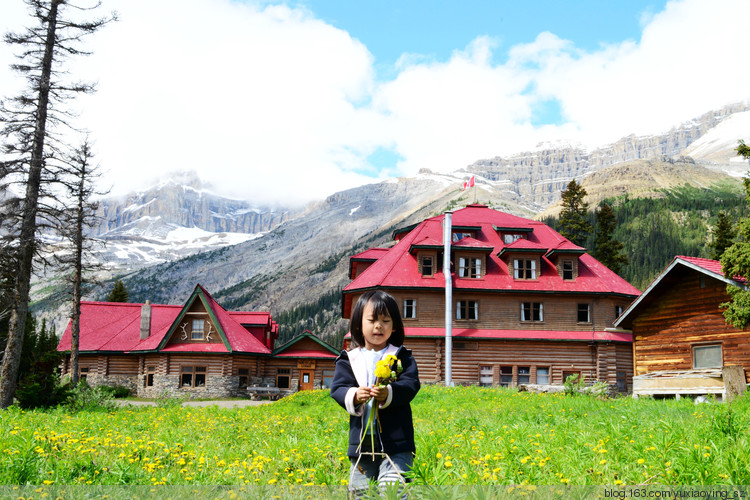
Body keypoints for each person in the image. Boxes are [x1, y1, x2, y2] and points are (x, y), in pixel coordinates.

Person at [330, 290, 420, 494]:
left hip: (397, 441)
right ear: (359, 325)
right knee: (360, 492)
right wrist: (354, 394)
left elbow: (410, 385)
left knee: (393, 490)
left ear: (394, 325)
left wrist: (388, 393)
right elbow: (338, 388)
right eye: (371, 320)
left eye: (386, 320)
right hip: (362, 444)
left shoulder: (401, 356)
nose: (378, 326)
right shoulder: (349, 359)